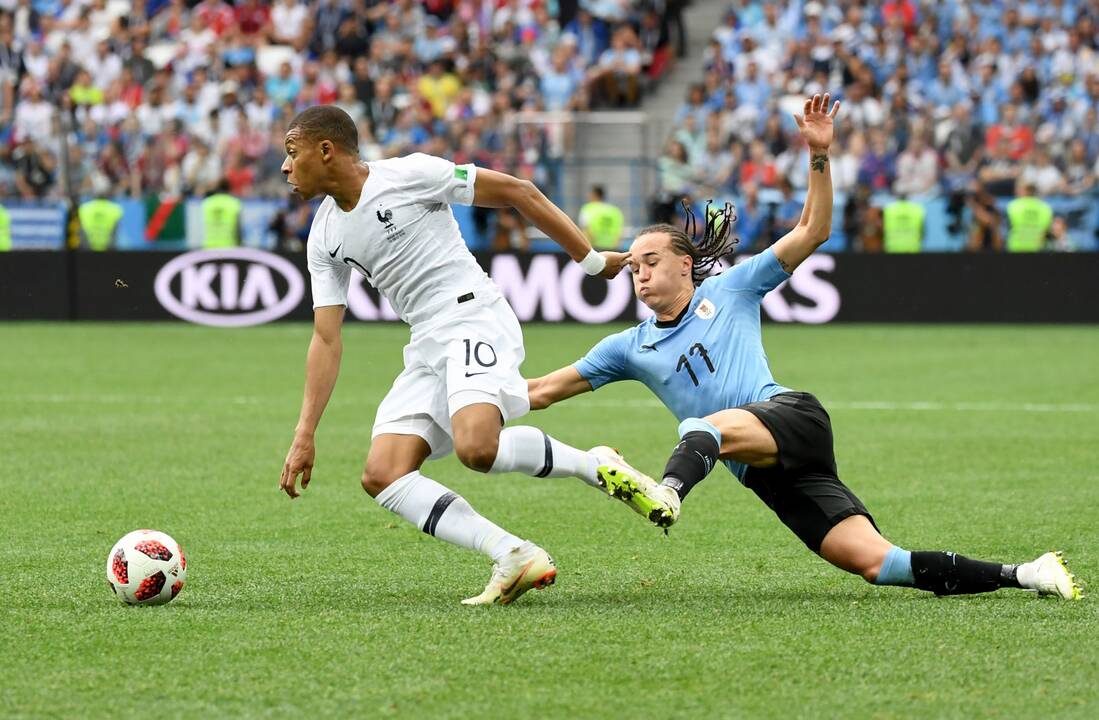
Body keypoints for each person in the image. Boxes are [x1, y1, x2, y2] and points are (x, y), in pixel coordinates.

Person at [525, 94, 1082, 601]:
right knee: (878, 563)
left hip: (790, 418)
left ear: (685, 265)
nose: (639, 275)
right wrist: (466, 389)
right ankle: (1029, 573)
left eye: (651, 262)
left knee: (701, 429)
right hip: (766, 473)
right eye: (633, 267)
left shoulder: (731, 288)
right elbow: (543, 390)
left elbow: (812, 230)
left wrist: (819, 155)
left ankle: (667, 493)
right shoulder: (628, 346)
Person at [276, 105, 664, 606]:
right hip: (426, 343)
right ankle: (513, 553)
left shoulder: (410, 174)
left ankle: (594, 464)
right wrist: (304, 433)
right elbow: (326, 339)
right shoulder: (323, 237)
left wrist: (589, 260)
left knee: (477, 448)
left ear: (325, 150)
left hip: (473, 316)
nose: (285, 167)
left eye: (291, 153)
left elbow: (518, 193)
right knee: (383, 474)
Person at [578, 185, 625, 249]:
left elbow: (586, 229)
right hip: (612, 249)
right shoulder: (615, 211)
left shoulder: (587, 208)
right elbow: (619, 233)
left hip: (593, 248)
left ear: (594, 194)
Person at [201, 180, 242, 248]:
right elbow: (238, 228)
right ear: (229, 188)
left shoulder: (207, 202)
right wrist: (239, 244)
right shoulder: (234, 203)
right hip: (229, 245)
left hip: (209, 245)